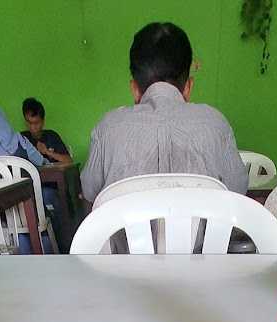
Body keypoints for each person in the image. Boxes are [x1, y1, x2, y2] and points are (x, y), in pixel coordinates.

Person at [80, 21, 248, 203]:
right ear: (188, 87)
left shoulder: (108, 127)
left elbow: (90, 191)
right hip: (200, 233)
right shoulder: (216, 124)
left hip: (126, 233)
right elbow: (238, 189)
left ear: (134, 89)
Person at [0, 103, 59, 253]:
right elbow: (40, 161)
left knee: (15, 218)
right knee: (40, 210)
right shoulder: (18, 139)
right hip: (30, 209)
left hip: (0, 215)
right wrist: (46, 161)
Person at [22, 97, 72, 164]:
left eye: (36, 123)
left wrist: (47, 152)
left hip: (52, 174)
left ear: (43, 122)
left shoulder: (52, 136)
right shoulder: (22, 139)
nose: (32, 127)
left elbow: (69, 161)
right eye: (29, 122)